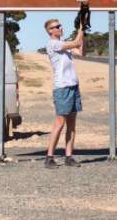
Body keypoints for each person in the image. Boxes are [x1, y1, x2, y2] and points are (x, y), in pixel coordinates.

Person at [43, 17, 84, 168]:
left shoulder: (64, 45)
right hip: (62, 88)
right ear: (50, 31)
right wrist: (81, 28)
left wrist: (83, 31)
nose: (60, 27)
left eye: (60, 25)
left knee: (72, 124)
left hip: (73, 85)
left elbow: (80, 51)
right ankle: (49, 157)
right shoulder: (54, 44)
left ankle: (69, 156)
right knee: (60, 123)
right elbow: (75, 43)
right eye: (56, 26)